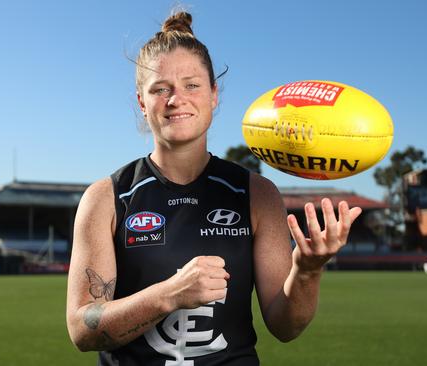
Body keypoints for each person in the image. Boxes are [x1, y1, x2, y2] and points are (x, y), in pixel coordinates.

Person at [66, 11, 362, 365]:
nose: (177, 99)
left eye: (192, 85)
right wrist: (169, 295)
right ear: (142, 103)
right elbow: (82, 330)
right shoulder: (107, 198)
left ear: (214, 94)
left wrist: (308, 269)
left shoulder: (256, 194)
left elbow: (286, 326)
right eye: (161, 89)